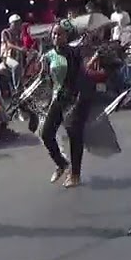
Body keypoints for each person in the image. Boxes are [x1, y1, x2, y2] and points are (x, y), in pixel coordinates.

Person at [38, 20, 92, 188]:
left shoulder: (75, 53)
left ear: (67, 36)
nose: (56, 37)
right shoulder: (48, 56)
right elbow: (44, 78)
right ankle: (62, 164)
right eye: (54, 34)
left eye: (59, 34)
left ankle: (75, 174)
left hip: (75, 98)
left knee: (74, 134)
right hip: (58, 97)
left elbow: (83, 73)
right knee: (46, 133)